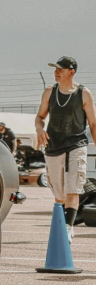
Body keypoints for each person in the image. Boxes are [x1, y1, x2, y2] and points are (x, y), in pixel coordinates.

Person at [35, 56, 96, 243]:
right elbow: (40, 117)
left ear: (71, 72)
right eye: (55, 69)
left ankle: (68, 227)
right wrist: (39, 129)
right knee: (59, 193)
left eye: (60, 69)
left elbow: (93, 124)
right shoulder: (49, 92)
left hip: (77, 145)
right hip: (54, 146)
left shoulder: (83, 93)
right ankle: (63, 225)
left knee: (73, 187)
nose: (56, 72)